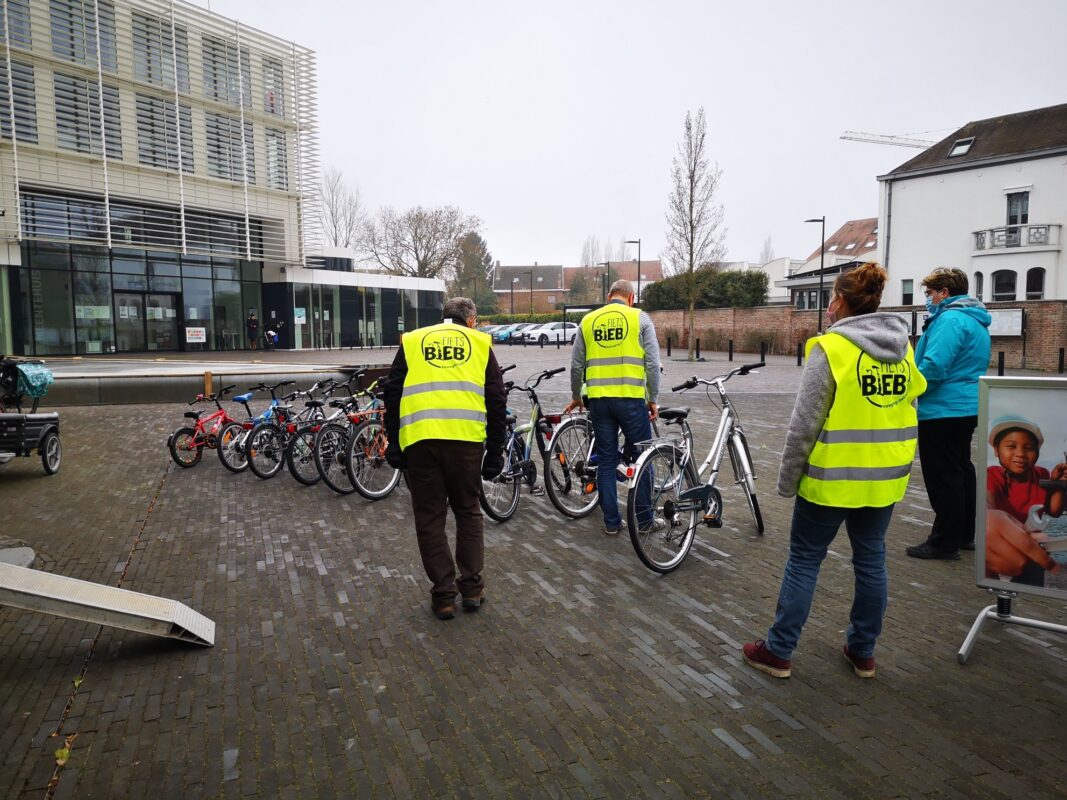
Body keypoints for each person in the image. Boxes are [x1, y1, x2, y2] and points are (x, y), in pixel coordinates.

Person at [743, 262, 927, 680]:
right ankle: (863, 651)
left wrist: (787, 480)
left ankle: (778, 651)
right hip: (883, 478)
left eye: (830, 298)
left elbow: (804, 423)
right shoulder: (904, 349)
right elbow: (912, 405)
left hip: (832, 480)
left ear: (840, 301)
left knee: (805, 560)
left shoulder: (832, 349)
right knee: (871, 560)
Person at [383, 297, 507, 620]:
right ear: (471, 320)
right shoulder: (480, 343)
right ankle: (472, 588)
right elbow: (496, 398)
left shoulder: (413, 341)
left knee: (429, 518)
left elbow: (392, 392)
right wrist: (496, 451)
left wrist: (394, 443)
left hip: (421, 443)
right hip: (466, 443)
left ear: (443, 317)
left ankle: (443, 595)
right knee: (468, 511)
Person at [905, 267, 991, 560]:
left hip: (943, 408)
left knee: (943, 475)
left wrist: (911, 392)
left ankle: (944, 542)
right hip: (967, 405)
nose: (928, 298)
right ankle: (964, 533)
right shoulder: (975, 319)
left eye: (930, 293)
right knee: (961, 469)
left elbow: (934, 366)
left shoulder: (950, 320)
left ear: (944, 292)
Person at [563, 279, 661, 535]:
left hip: (599, 402)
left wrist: (576, 395)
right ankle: (645, 521)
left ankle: (612, 523)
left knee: (606, 461)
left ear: (609, 296)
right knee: (642, 458)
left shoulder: (588, 321)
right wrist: (652, 398)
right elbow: (652, 363)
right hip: (631, 401)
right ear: (631, 298)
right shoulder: (640, 319)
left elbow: (576, 365)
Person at [984, 414, 1066, 585]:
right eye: (1011, 446)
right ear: (996, 450)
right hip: (1000, 552)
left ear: (1037, 453)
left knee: (1032, 588)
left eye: (1029, 448)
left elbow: (1054, 511)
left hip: (1033, 552)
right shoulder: (992, 475)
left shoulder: (1042, 474)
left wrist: (1059, 484)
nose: (1020, 454)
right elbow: (986, 500)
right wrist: (987, 516)